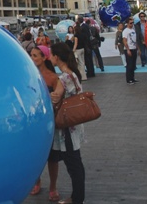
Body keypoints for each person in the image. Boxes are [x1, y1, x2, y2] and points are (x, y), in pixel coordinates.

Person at [49, 43, 86, 204]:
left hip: (67, 129)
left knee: (74, 165)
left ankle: (77, 199)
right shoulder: (72, 74)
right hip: (73, 126)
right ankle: (77, 196)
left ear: (57, 57)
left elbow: (55, 98)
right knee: (74, 163)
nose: (50, 57)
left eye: (51, 55)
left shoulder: (64, 78)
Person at [29, 46, 61, 200]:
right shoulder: (28, 75)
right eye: (31, 55)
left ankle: (53, 187)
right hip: (34, 122)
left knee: (52, 157)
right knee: (35, 155)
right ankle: (37, 181)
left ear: (44, 57)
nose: (32, 58)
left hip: (49, 121)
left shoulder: (53, 77)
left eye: (35, 55)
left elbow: (59, 100)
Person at [123, 18, 139, 84]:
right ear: (127, 23)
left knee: (133, 65)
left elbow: (135, 39)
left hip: (134, 48)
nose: (132, 24)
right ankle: (128, 79)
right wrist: (128, 50)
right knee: (129, 65)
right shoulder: (125, 31)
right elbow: (124, 40)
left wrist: (137, 48)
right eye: (130, 23)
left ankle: (132, 78)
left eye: (132, 23)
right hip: (129, 49)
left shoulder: (133, 30)